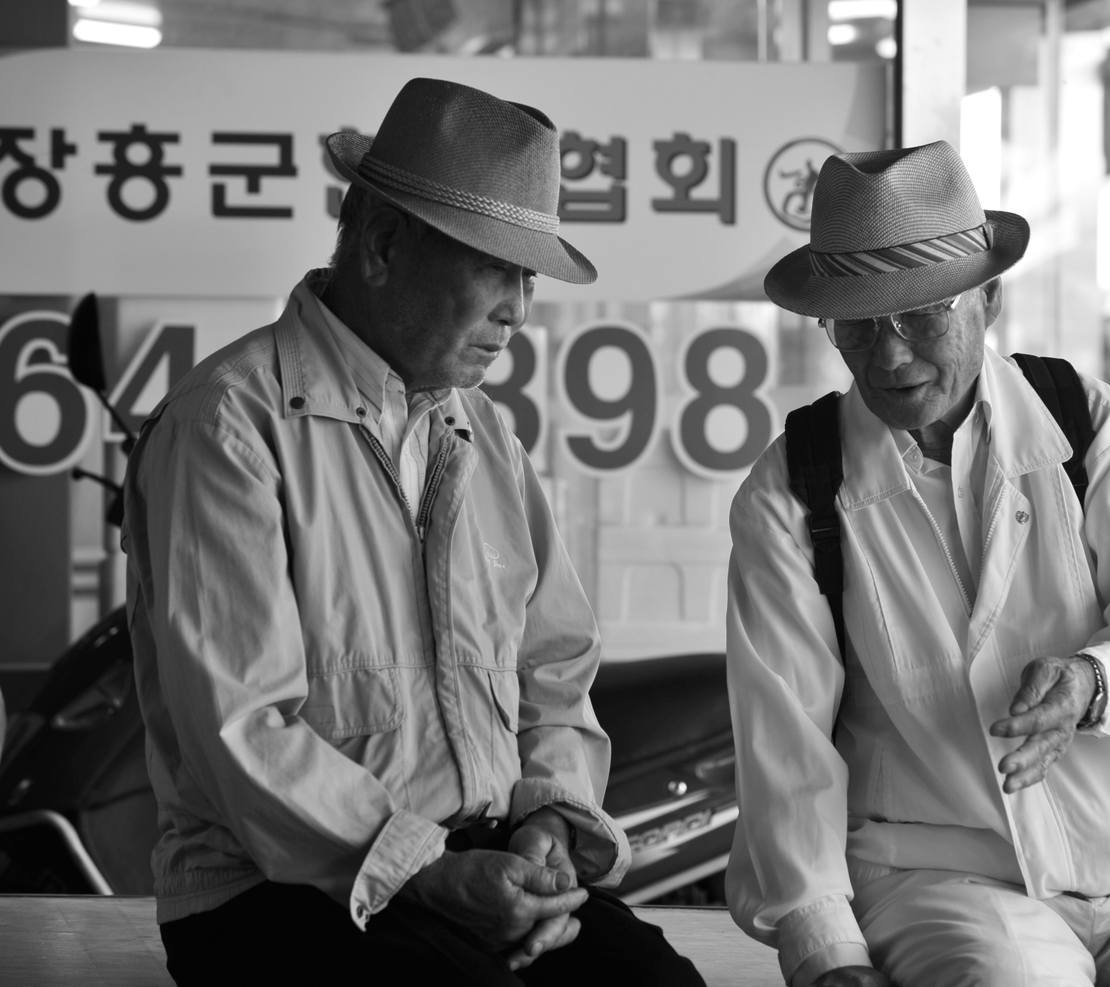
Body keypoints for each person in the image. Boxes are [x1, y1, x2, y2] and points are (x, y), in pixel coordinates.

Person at [723, 141, 1110, 987]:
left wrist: (1095, 682)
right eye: (858, 324)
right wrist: (827, 954)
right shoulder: (795, 487)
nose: (889, 355)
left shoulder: (1085, 421)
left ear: (988, 300)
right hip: (940, 876)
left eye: (920, 317)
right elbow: (787, 746)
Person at [123, 79, 703, 986]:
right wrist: (425, 870)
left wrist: (549, 825)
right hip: (275, 893)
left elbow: (555, 667)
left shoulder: (484, 433)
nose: (519, 308)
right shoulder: (230, 425)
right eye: (497, 268)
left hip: (475, 861)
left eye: (529, 278)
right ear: (385, 244)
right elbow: (243, 727)